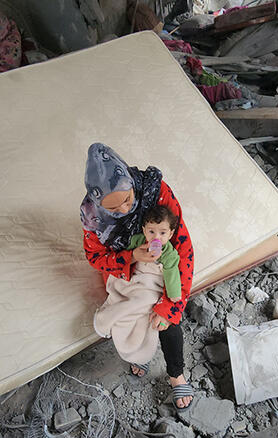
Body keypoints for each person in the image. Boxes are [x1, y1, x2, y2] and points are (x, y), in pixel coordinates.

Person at [81, 143, 195, 410]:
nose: (123, 210)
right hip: (126, 267)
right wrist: (131, 257)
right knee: (127, 311)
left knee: (165, 316)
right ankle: (137, 352)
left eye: (128, 200)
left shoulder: (156, 192)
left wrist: (171, 305)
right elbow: (95, 258)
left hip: (162, 268)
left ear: (132, 184)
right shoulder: (93, 217)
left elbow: (182, 248)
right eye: (113, 208)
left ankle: (176, 373)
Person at [93, 206, 182, 385]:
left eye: (162, 233)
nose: (156, 238)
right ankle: (109, 322)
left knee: (145, 310)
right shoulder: (138, 241)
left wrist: (173, 296)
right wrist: (133, 256)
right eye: (151, 232)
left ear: (171, 234)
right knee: (124, 296)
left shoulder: (170, 254)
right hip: (135, 280)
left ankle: (142, 354)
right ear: (144, 230)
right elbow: (125, 258)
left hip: (151, 285)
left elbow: (171, 275)